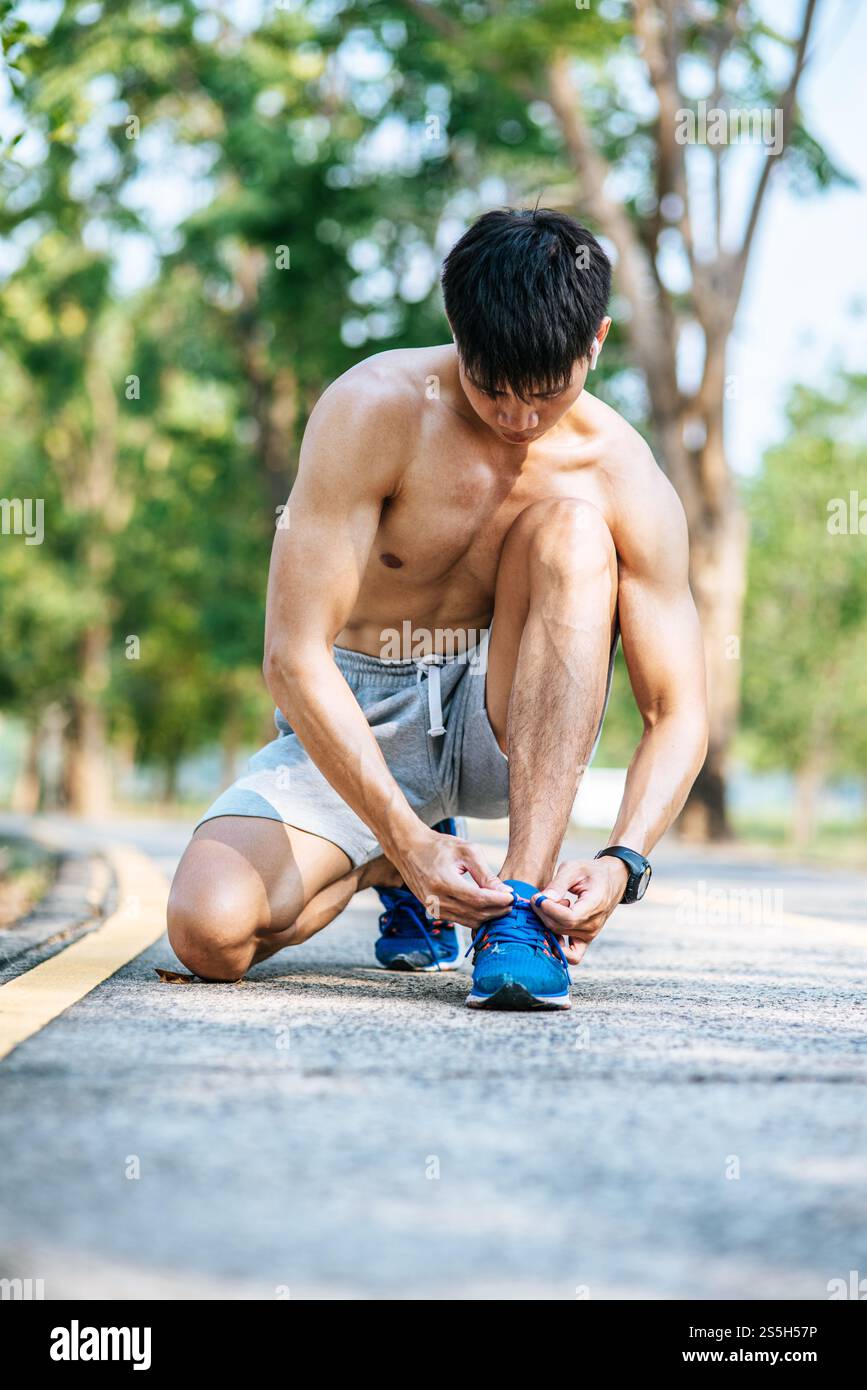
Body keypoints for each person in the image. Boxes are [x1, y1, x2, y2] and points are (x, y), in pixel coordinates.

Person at [167, 208, 708, 1010]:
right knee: (209, 935)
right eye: (493, 389)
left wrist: (623, 860)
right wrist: (402, 840)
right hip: (363, 713)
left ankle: (518, 914)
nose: (518, 419)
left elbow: (677, 710)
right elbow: (291, 654)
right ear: (457, 333)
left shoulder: (621, 472)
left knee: (569, 531)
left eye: (547, 392)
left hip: (507, 724)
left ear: (594, 342)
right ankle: (393, 867)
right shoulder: (373, 409)